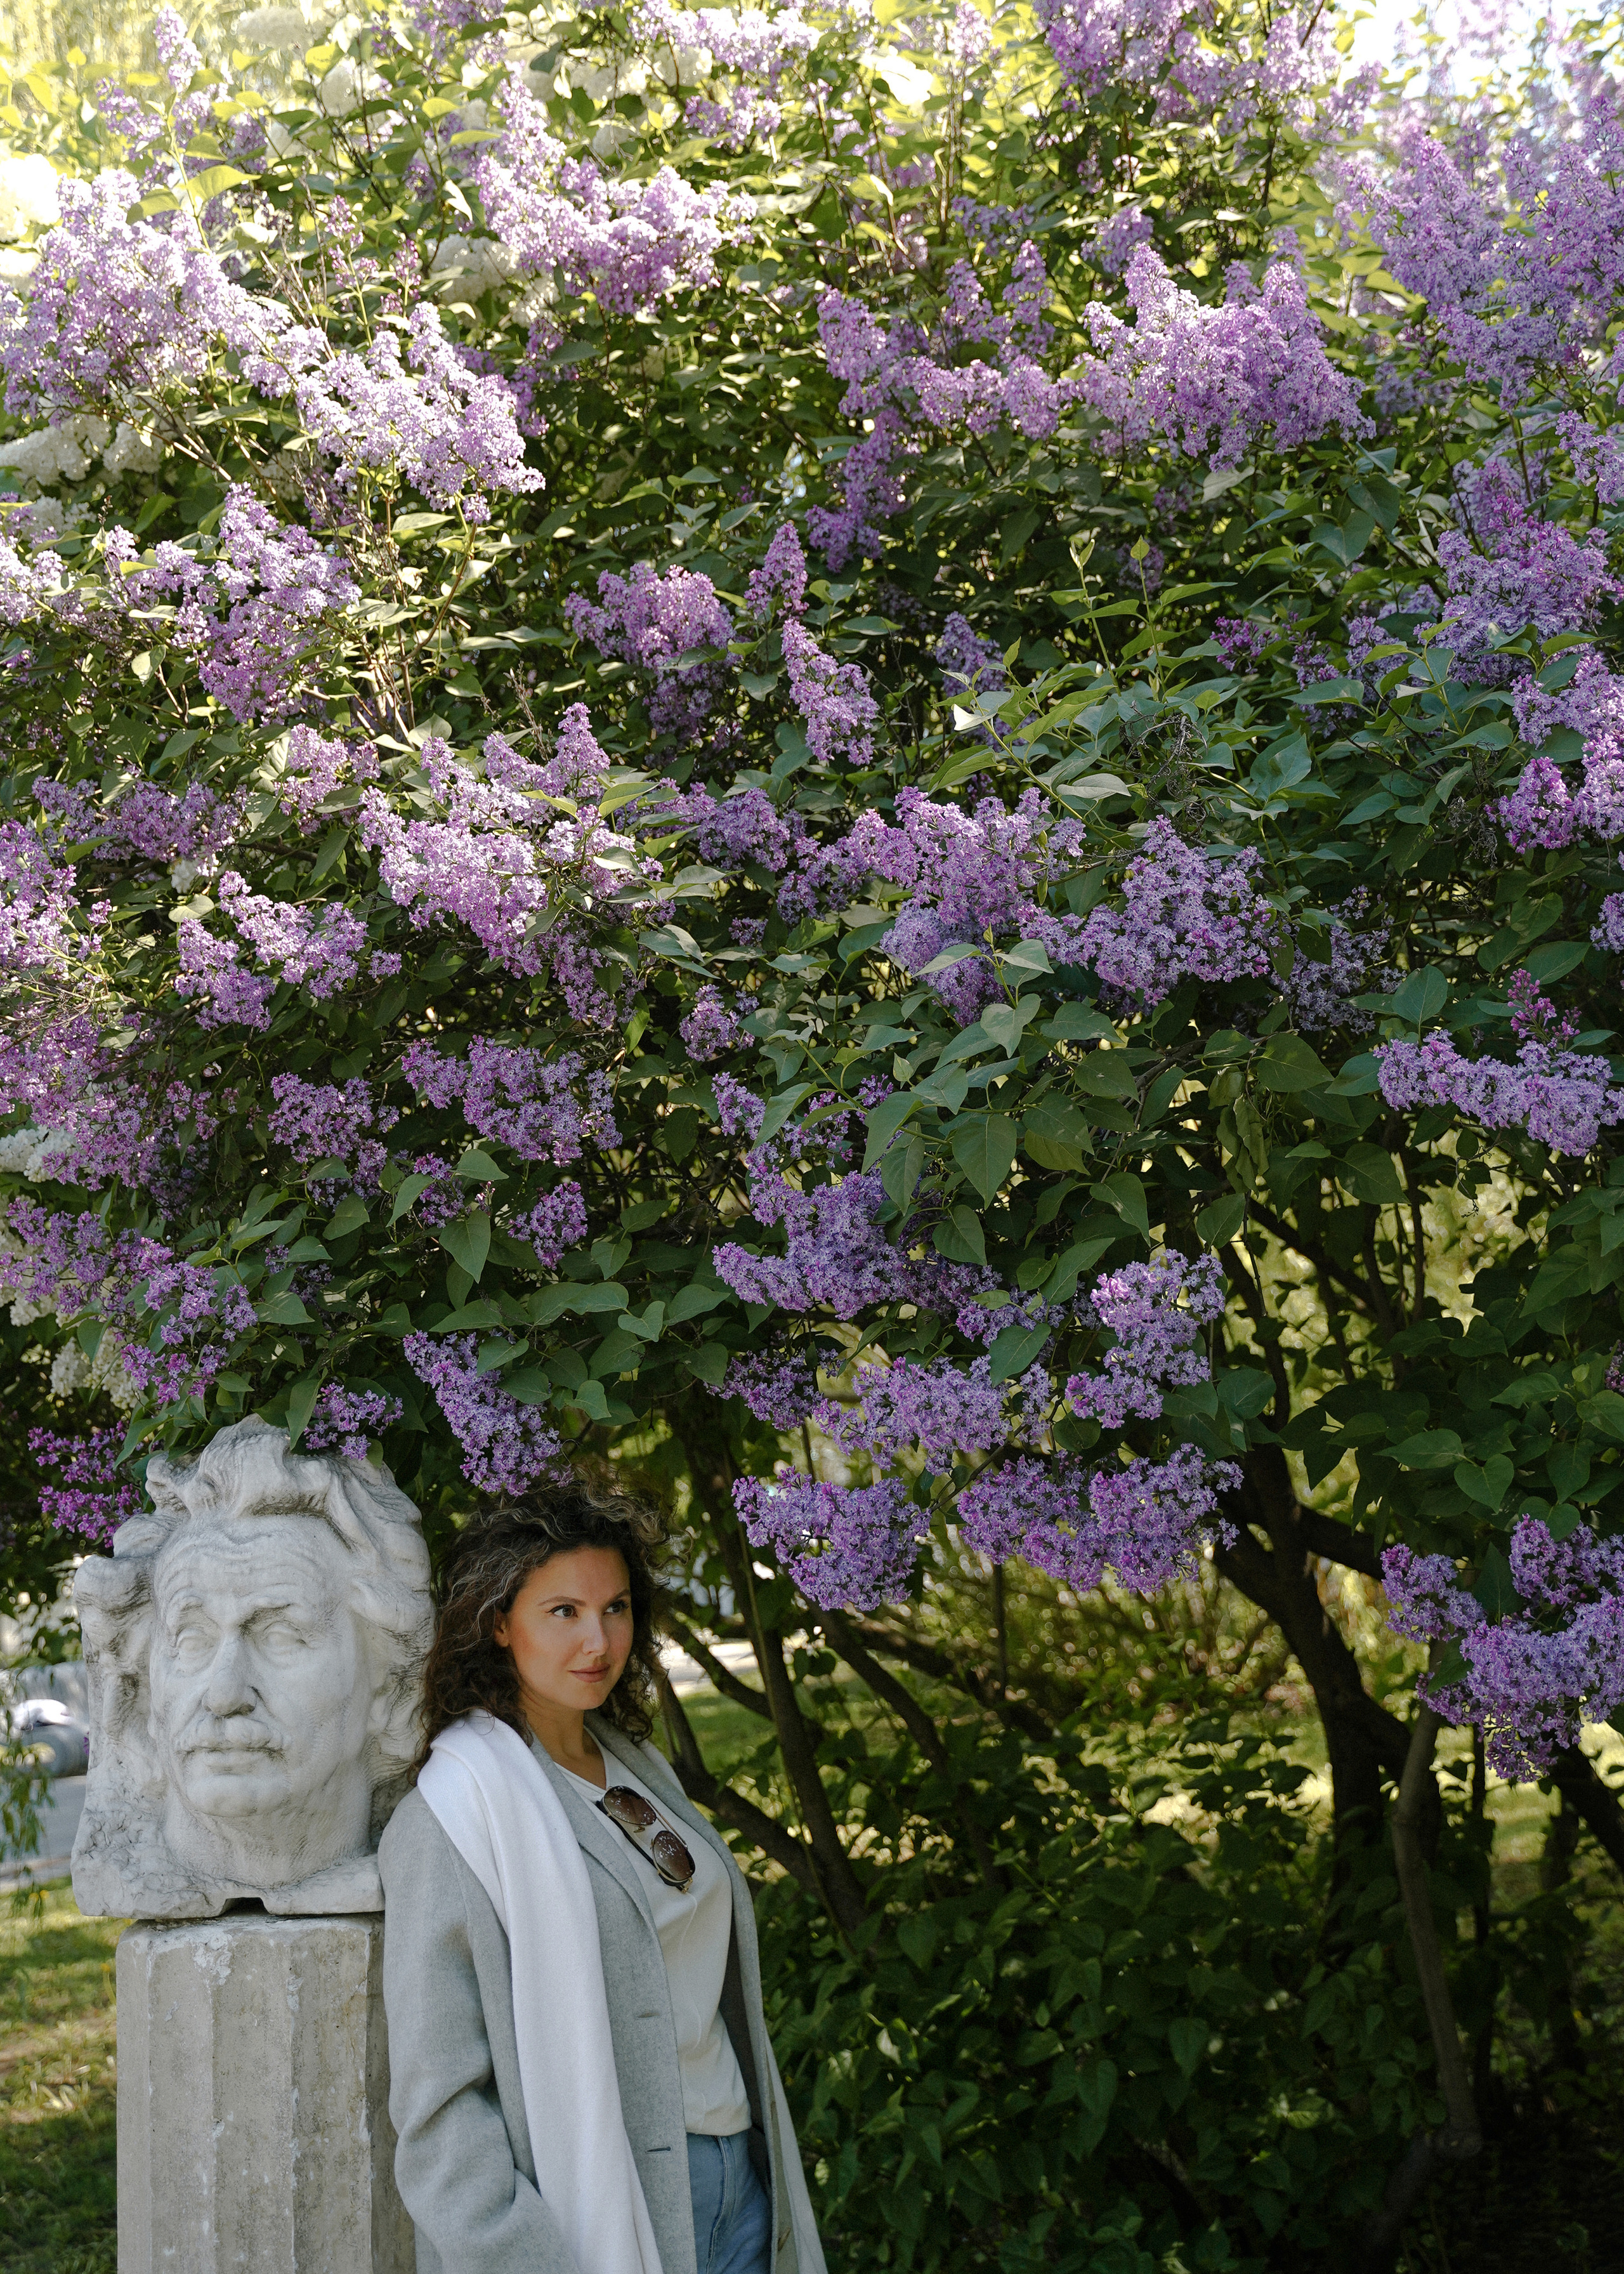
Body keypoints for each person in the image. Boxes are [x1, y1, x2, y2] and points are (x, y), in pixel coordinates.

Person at [379, 1476, 828, 2274]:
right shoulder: (453, 1818)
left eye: (615, 1607)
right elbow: (441, 2110)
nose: (599, 1641)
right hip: (614, 2212)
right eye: (564, 1612)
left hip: (739, 2182)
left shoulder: (640, 1769)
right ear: (497, 1624)